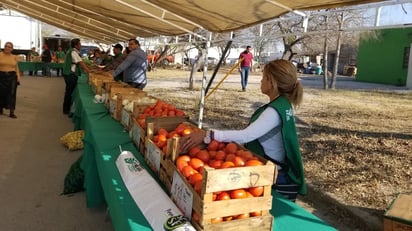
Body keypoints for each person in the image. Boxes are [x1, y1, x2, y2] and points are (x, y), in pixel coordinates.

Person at [180, 59, 307, 202]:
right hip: (275, 170)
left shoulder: (273, 111)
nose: (261, 81)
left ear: (273, 82)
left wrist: (209, 134)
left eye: (264, 77)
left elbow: (247, 135)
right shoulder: (283, 105)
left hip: (276, 178)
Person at [62, 38, 90, 115]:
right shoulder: (73, 52)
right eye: (80, 44)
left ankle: (66, 108)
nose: (81, 46)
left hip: (68, 73)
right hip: (70, 75)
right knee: (69, 92)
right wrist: (89, 71)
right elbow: (81, 63)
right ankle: (66, 109)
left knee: (69, 91)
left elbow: (81, 62)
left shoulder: (72, 51)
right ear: (76, 45)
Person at [0, 42, 21, 118]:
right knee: (1, 93)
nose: (7, 48)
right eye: (6, 46)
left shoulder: (14, 57)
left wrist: (18, 77)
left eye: (9, 47)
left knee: (12, 94)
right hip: (1, 76)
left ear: (12, 49)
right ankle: (1, 108)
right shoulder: (0, 55)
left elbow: (16, 67)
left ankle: (11, 112)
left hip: (12, 77)